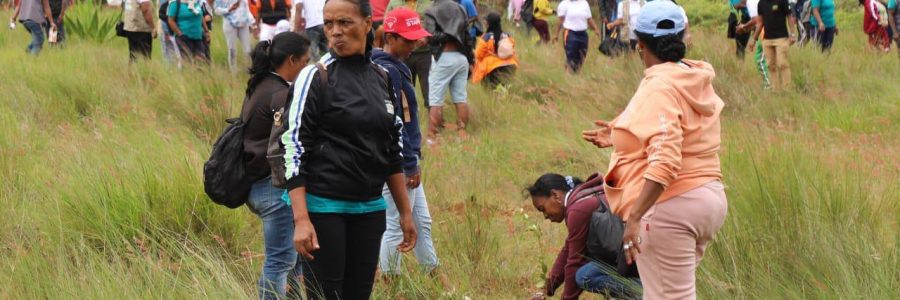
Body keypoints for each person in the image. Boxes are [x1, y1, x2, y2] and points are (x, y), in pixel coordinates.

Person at [582, 2, 728, 298]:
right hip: (707, 198)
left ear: (639, 44)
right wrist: (619, 134)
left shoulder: (659, 85)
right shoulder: (692, 75)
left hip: (672, 204)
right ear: (684, 37)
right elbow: (680, 128)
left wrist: (636, 217)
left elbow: (666, 158)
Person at [281, 0, 418, 298]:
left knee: (359, 294)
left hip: (370, 209)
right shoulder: (315, 76)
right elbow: (293, 147)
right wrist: (301, 219)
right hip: (324, 208)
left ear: (368, 24)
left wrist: (406, 212)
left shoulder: (382, 78)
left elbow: (391, 150)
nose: (335, 32)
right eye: (329, 24)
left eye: (345, 23)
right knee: (326, 294)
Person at [371, 8, 448, 288]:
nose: (414, 44)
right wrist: (408, 163)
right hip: (397, 164)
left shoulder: (395, 65)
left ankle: (436, 276)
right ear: (390, 37)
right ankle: (391, 284)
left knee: (422, 222)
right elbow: (396, 124)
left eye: (416, 39)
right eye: (408, 39)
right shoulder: (386, 70)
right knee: (395, 225)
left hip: (407, 160)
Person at [242, 31, 311, 300]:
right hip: (273, 189)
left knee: (292, 262)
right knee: (280, 261)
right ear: (292, 60)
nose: (307, 66)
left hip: (257, 186)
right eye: (305, 61)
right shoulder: (282, 94)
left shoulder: (260, 85)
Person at [528, 173, 643, 300]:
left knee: (585, 276)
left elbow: (575, 260)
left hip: (635, 259)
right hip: (632, 256)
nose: (545, 216)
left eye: (542, 209)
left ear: (556, 195)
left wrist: (567, 297)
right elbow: (568, 250)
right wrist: (548, 288)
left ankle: (641, 291)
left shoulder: (578, 209)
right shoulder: (583, 198)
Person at [424, 0, 473, 142]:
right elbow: (467, 36)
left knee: (435, 100)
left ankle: (433, 137)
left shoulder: (431, 9)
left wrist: (449, 35)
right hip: (461, 58)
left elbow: (431, 36)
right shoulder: (460, 7)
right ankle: (462, 133)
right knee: (460, 98)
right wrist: (470, 60)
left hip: (444, 58)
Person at [386, 0, 433, 109]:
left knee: (428, 90)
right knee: (404, 90)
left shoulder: (428, 4)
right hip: (401, 54)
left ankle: (433, 121)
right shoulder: (394, 3)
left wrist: (425, 37)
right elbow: (387, 24)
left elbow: (434, 25)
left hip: (424, 53)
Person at [749, 0, 796, 89]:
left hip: (781, 38)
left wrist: (792, 34)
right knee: (770, 65)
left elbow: (790, 16)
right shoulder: (761, 3)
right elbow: (760, 23)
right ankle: (775, 89)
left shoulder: (782, 1)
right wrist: (754, 39)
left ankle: (787, 89)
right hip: (767, 39)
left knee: (782, 63)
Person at [553, 0, 602, 73]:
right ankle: (568, 74)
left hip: (583, 34)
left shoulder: (584, 3)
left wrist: (596, 29)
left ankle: (576, 75)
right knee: (571, 56)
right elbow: (560, 21)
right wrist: (556, 34)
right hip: (570, 33)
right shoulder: (564, 4)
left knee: (581, 56)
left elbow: (589, 19)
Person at [473, 12, 519, 87]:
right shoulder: (507, 36)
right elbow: (512, 48)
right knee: (506, 89)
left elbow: (479, 55)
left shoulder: (486, 38)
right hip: (511, 65)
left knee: (490, 91)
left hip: (493, 68)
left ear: (488, 23)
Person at [215, 0, 254, 71]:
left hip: (244, 23)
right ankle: (233, 72)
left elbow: (246, 8)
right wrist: (228, 9)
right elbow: (217, 10)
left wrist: (251, 22)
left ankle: (249, 69)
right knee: (232, 50)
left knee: (248, 50)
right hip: (229, 24)